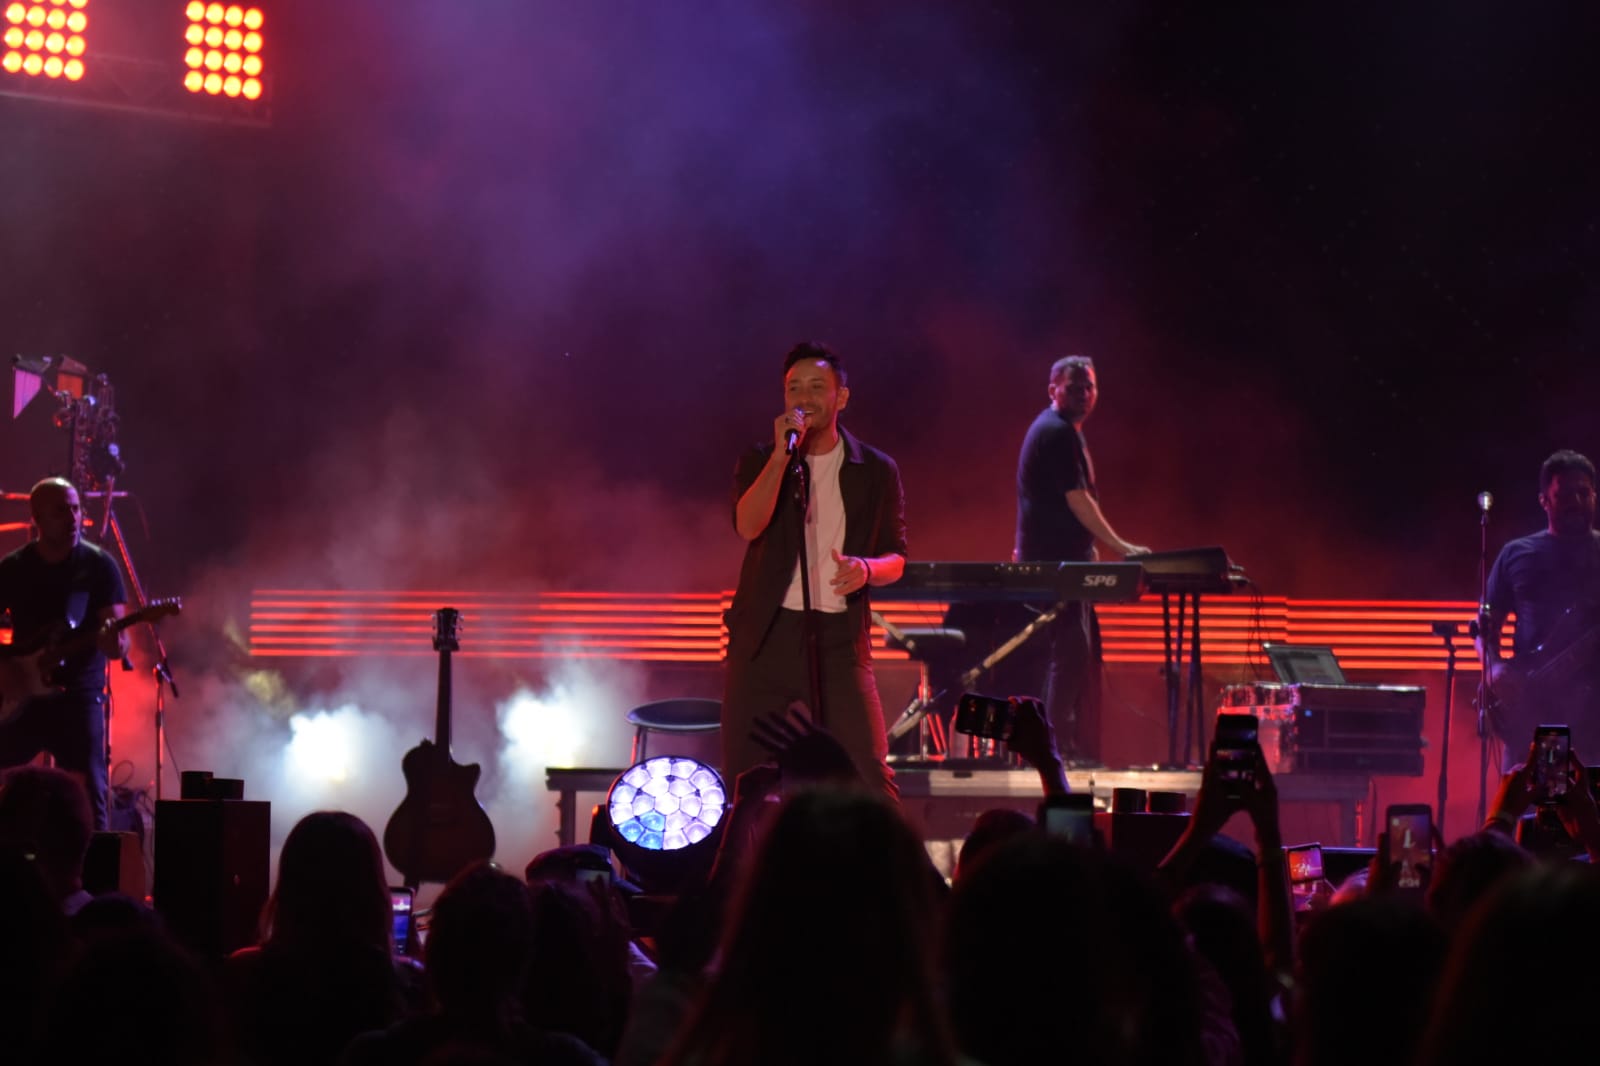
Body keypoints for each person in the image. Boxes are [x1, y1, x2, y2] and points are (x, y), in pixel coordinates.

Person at [722, 341, 907, 793]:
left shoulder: (876, 470)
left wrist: (865, 569)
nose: (803, 398)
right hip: (765, 639)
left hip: (839, 641)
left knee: (868, 773)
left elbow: (897, 557)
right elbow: (747, 525)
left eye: (816, 386)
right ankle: (746, 862)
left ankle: (887, 862)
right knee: (747, 780)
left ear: (840, 397)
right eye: (793, 388)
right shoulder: (760, 458)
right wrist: (780, 459)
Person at [1014, 355, 1148, 763]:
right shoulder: (1056, 433)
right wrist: (1119, 546)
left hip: (1065, 561)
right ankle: (1047, 747)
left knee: (1074, 654)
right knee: (1071, 653)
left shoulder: (1065, 431)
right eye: (1074, 387)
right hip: (1057, 565)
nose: (1084, 394)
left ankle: (1055, 743)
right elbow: (1077, 499)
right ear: (1052, 389)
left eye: (1089, 386)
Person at [0, 478, 128, 830]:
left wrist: (115, 644)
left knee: (90, 796)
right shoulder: (13, 568)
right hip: (22, 700)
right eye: (61, 510)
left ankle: (94, 878)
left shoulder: (99, 566)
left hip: (78, 700)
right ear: (37, 518)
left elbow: (119, 639)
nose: (73, 517)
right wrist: (6, 669)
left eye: (75, 508)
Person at [1476, 449, 1600, 766]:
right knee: (1532, 810)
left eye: (1583, 493)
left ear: (1594, 497)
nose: (1576, 501)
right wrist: (1496, 668)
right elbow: (1483, 627)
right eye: (1564, 494)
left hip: (1594, 720)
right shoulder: (1517, 554)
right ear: (1544, 500)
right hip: (1532, 716)